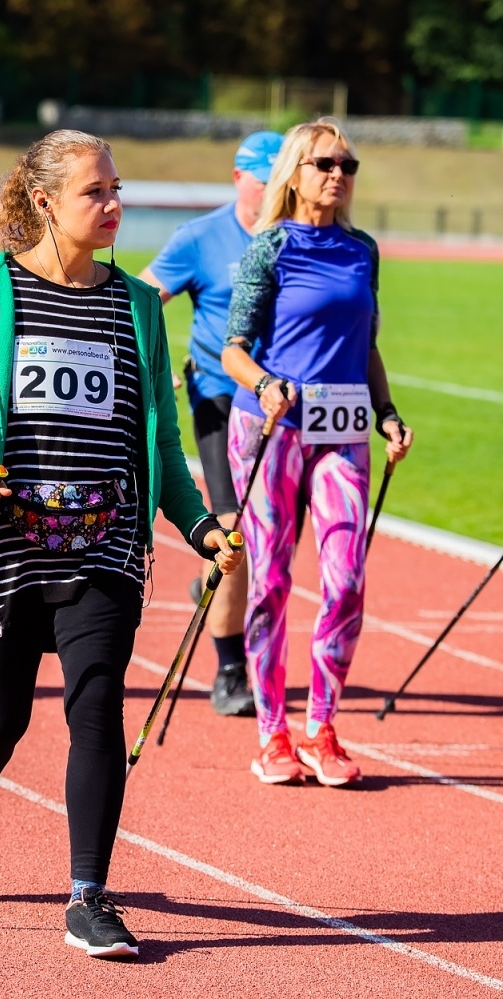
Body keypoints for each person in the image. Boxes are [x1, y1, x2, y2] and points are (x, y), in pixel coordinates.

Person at [0, 129, 242, 957]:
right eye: (94, 192)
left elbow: (159, 440)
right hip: (7, 544)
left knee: (97, 707)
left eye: (116, 189)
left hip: (104, 545)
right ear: (44, 202)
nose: (113, 205)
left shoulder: (136, 305)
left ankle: (89, 896)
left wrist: (199, 525)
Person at [220, 118, 413, 788]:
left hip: (343, 430)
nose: (338, 175)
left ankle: (322, 725)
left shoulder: (362, 250)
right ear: (296, 173)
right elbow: (233, 350)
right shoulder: (270, 246)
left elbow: (367, 345)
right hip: (270, 430)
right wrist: (265, 385)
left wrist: (387, 413)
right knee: (271, 582)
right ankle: (272, 731)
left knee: (347, 579)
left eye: (347, 165)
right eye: (325, 163)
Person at [140, 129, 282, 718]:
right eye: (265, 179)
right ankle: (229, 670)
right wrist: (148, 367)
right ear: (238, 178)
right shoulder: (200, 238)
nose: (273, 189)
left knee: (274, 537)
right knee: (234, 529)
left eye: (282, 179)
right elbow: (140, 301)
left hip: (286, 406)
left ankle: (211, 586)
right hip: (221, 398)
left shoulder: (297, 237)